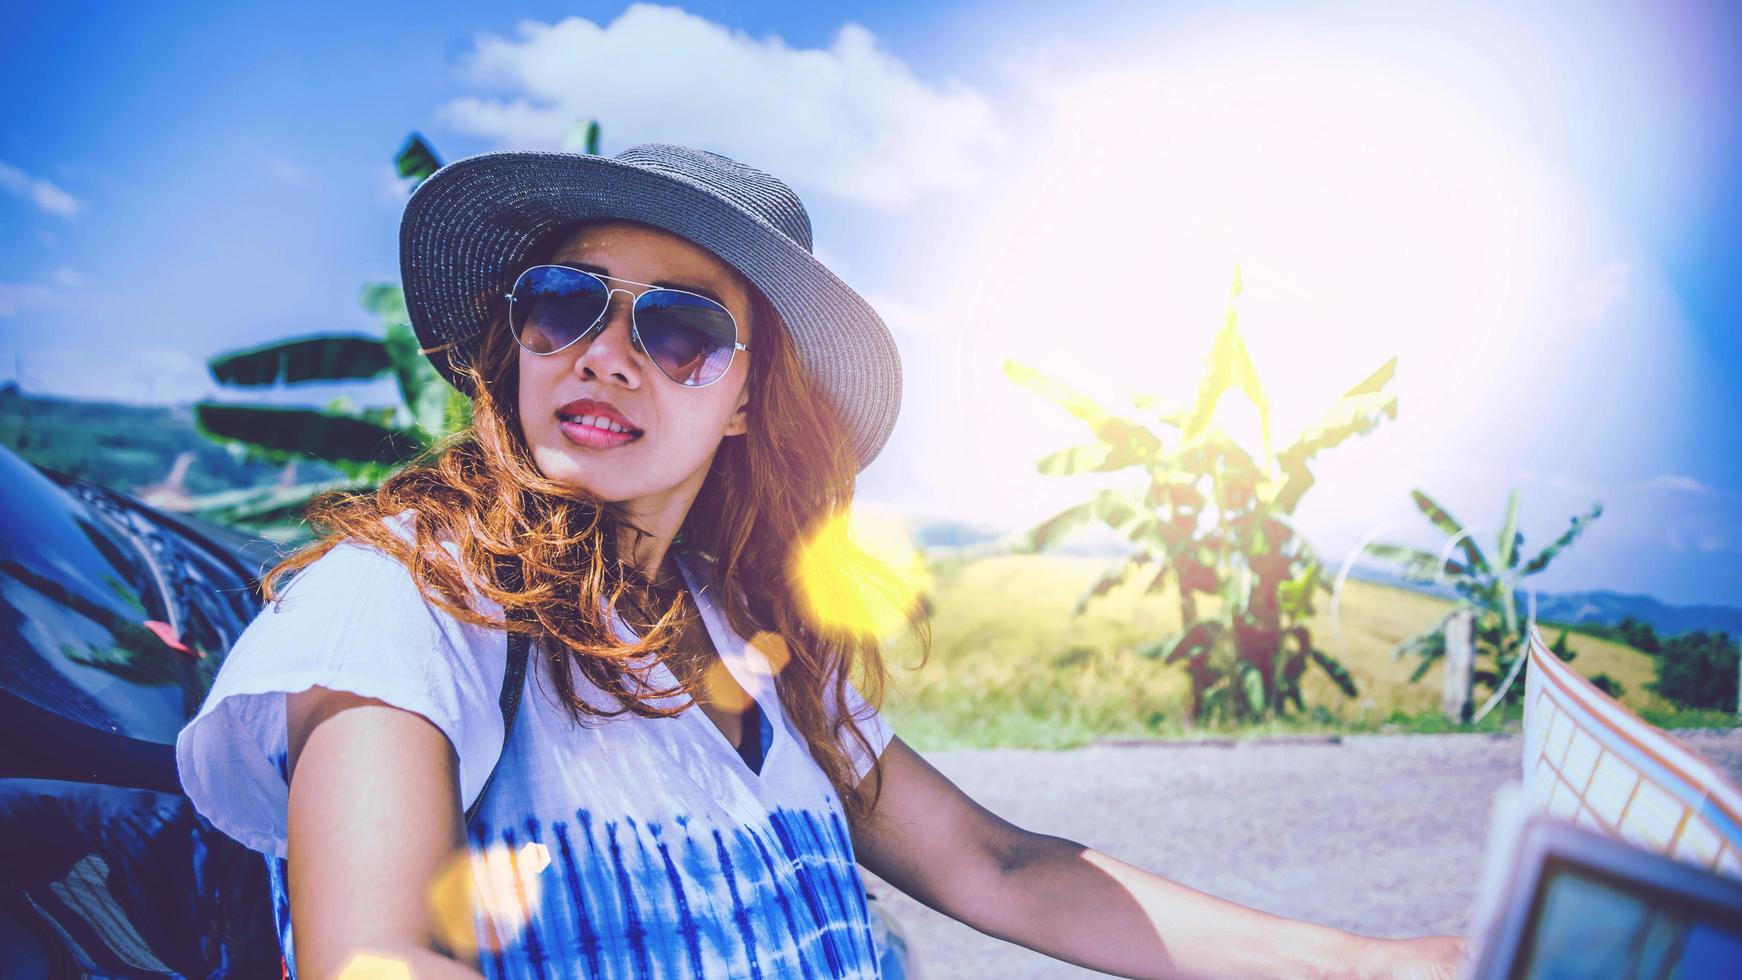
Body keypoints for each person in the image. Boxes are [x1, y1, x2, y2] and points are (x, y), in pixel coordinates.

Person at [176, 144, 1469, 979]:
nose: (605, 355)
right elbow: (372, 960)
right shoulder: (402, 602)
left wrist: (1364, 964)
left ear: (746, 400)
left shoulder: (738, 630)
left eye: (678, 330)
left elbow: (997, 867)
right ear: (514, 342)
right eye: (565, 302)